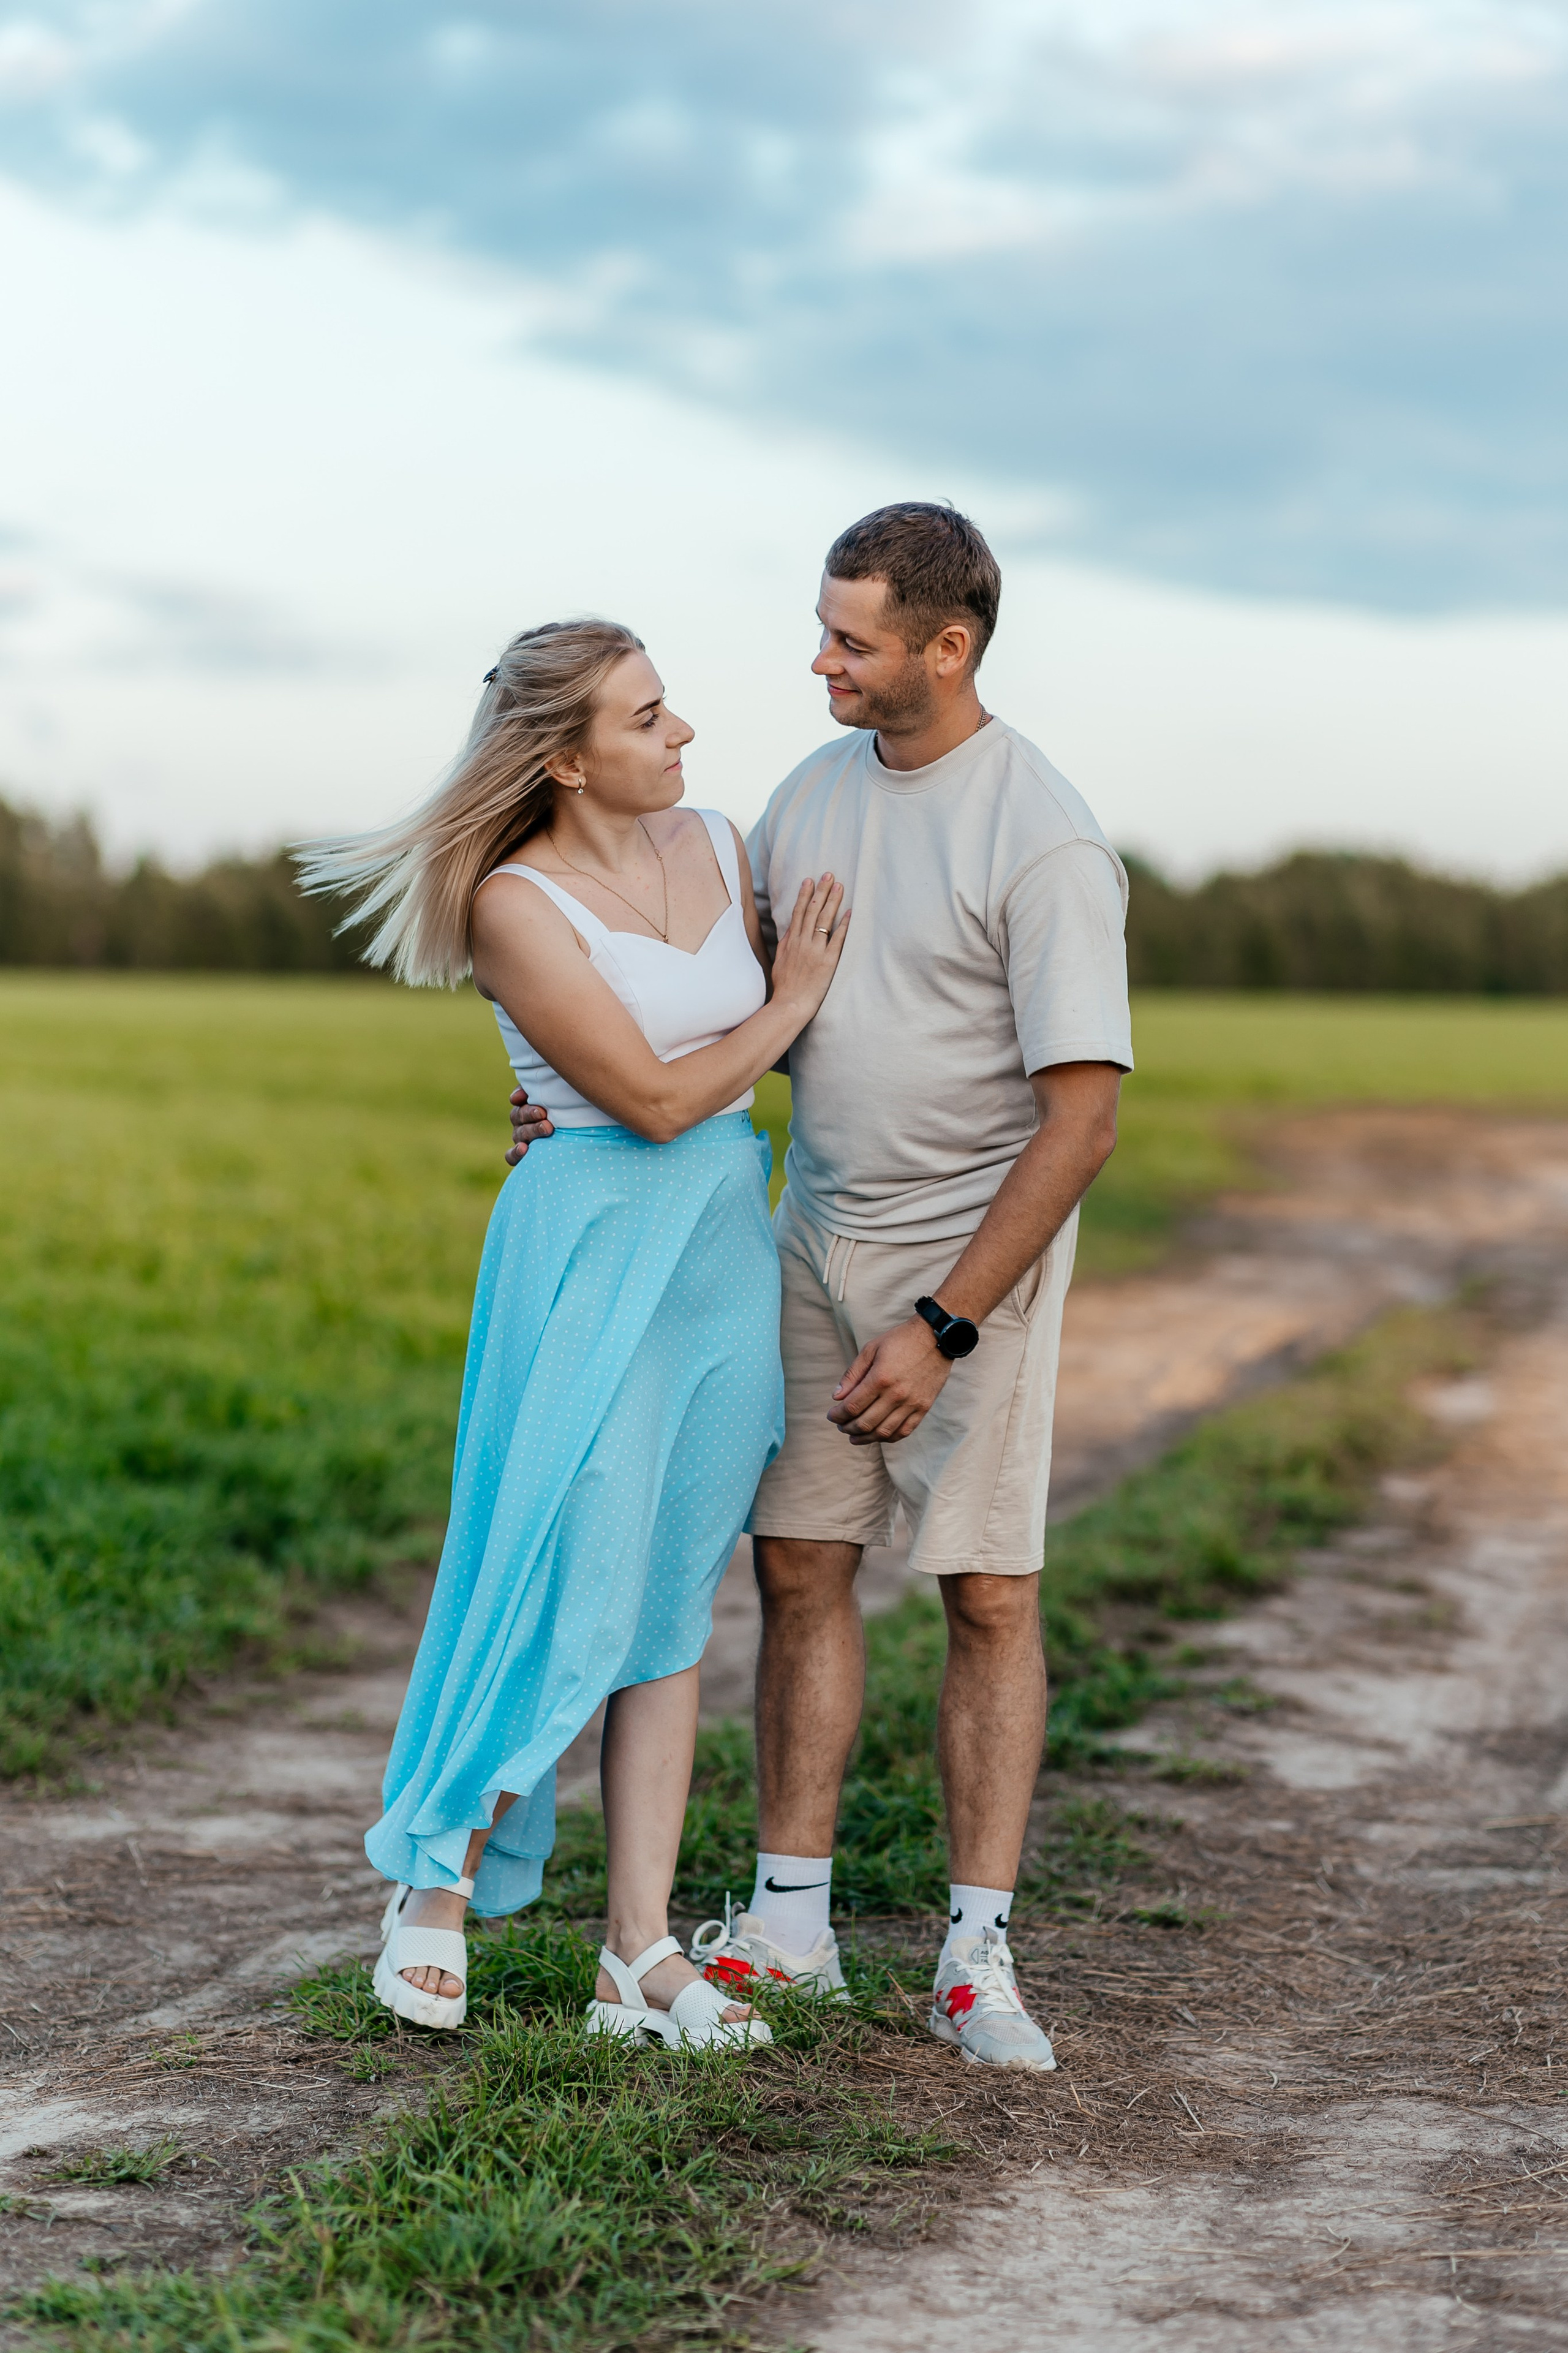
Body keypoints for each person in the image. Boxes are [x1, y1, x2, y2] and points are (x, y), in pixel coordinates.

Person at [510, 507, 1132, 2071]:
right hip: (806, 1237)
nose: (817, 660)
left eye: (848, 639)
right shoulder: (799, 801)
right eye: (821, 627)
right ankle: (791, 1928)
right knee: (795, 1568)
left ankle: (973, 1957)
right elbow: (740, 1018)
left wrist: (943, 1324)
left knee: (986, 1592)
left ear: (947, 646)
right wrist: (580, 1101)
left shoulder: (1040, 834)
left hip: (968, 1259)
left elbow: (1084, 1119)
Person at [300, 618, 848, 2049]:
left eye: (670, 711)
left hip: (722, 1246)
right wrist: (786, 1006)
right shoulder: (512, 903)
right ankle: (434, 1883)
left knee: (669, 1595)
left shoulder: (727, 844)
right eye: (648, 717)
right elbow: (653, 1098)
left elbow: (711, 1086)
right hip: (592, 1241)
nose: (682, 735)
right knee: (556, 1563)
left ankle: (639, 1952)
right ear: (565, 756)